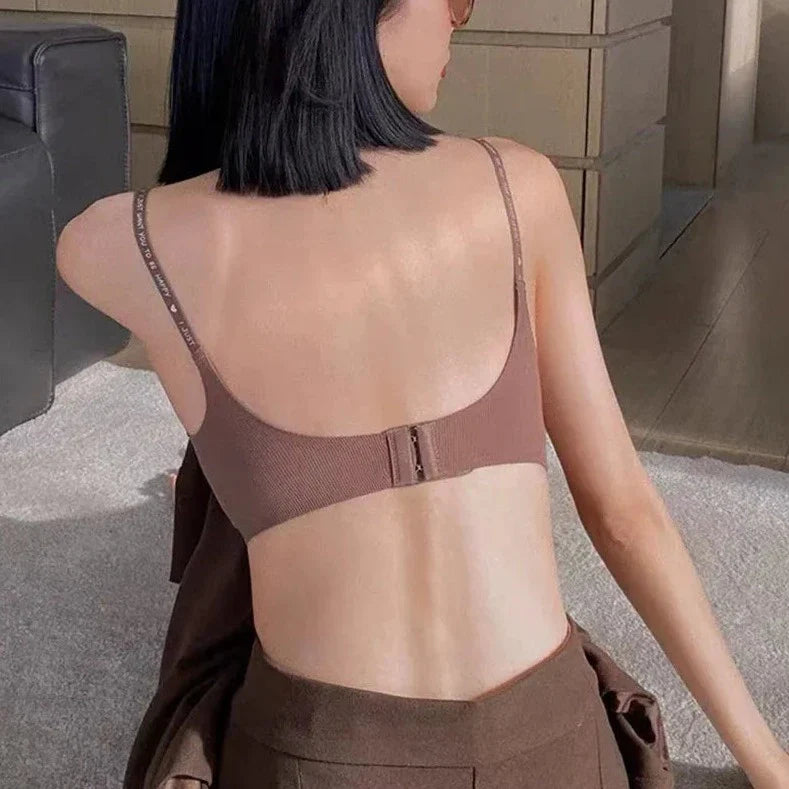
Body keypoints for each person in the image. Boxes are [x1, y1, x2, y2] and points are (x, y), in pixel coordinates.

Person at [55, 0, 789, 786]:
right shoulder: (517, 185)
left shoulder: (119, 242)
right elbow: (622, 514)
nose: (459, 19)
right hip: (547, 743)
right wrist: (767, 761)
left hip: (319, 756)